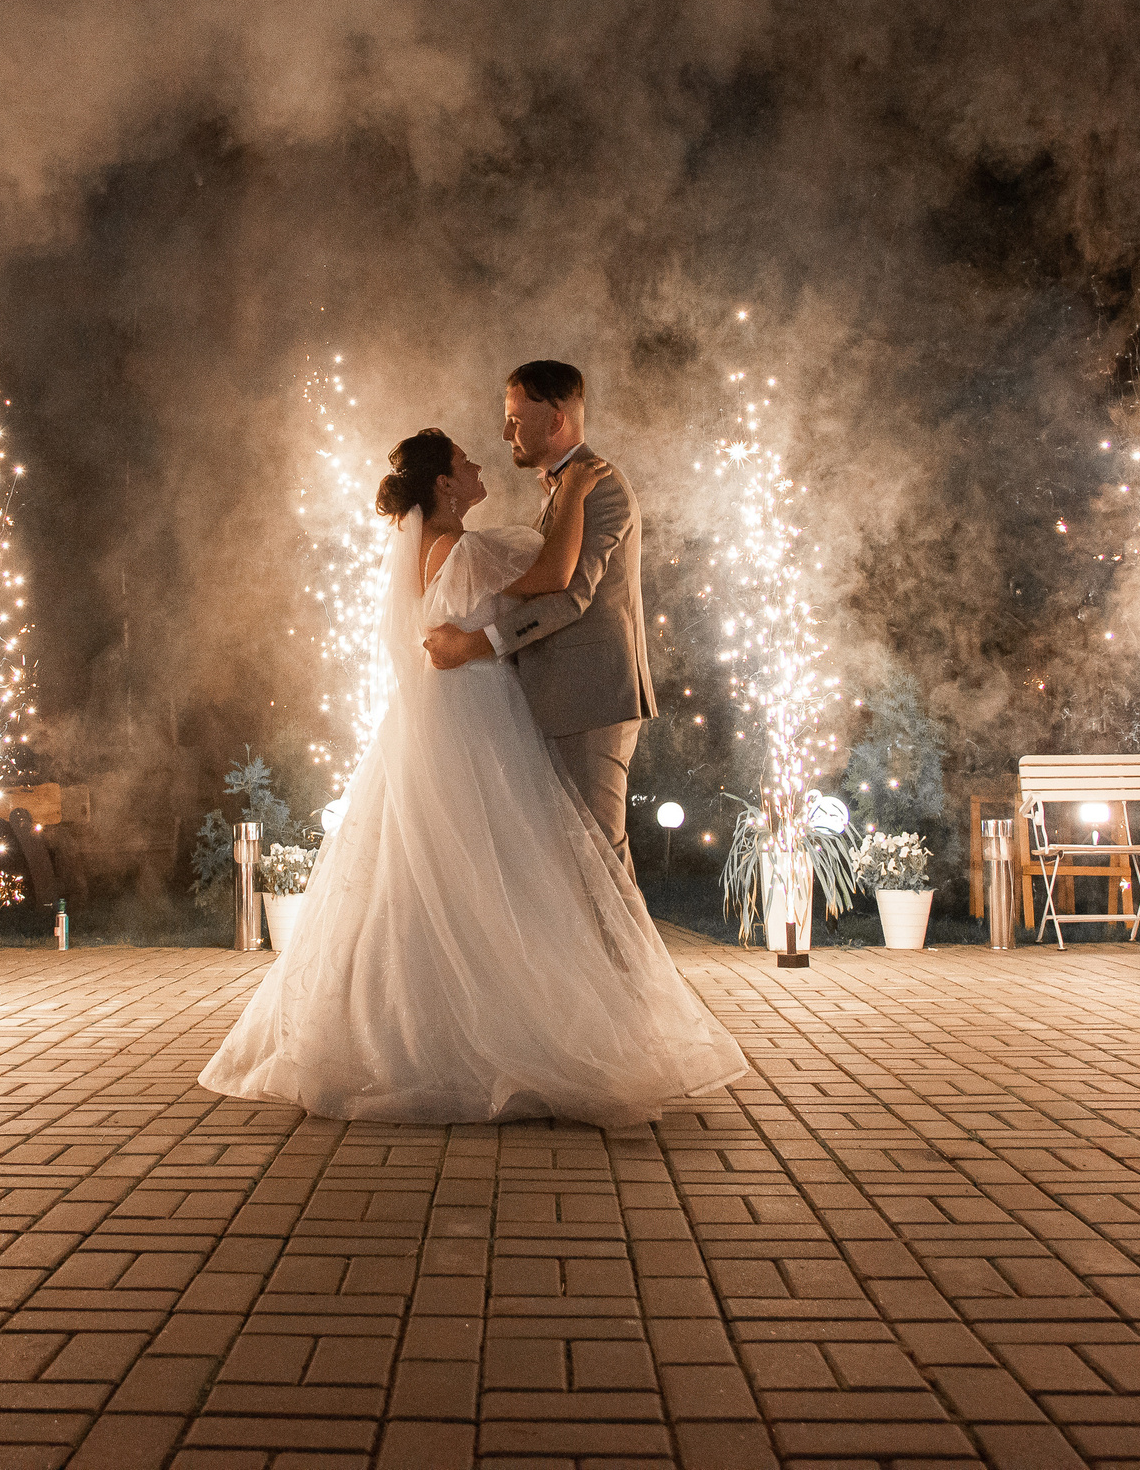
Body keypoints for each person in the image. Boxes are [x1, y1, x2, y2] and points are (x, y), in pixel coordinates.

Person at [198, 426, 744, 1127]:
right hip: (480, 714)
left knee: (435, 868)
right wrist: (576, 487)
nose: (480, 461)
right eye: (464, 462)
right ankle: (499, 1030)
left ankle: (402, 1029)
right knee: (504, 862)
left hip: (437, 715)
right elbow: (554, 576)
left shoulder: (432, 551)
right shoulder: (461, 550)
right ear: (446, 486)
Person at [424, 361, 652, 884]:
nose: (505, 433)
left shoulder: (602, 488)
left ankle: (634, 970)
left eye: (514, 419)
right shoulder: (563, 487)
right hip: (559, 701)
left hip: (591, 701)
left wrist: (474, 644)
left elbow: (569, 601)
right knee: (574, 867)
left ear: (554, 420)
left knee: (600, 863)